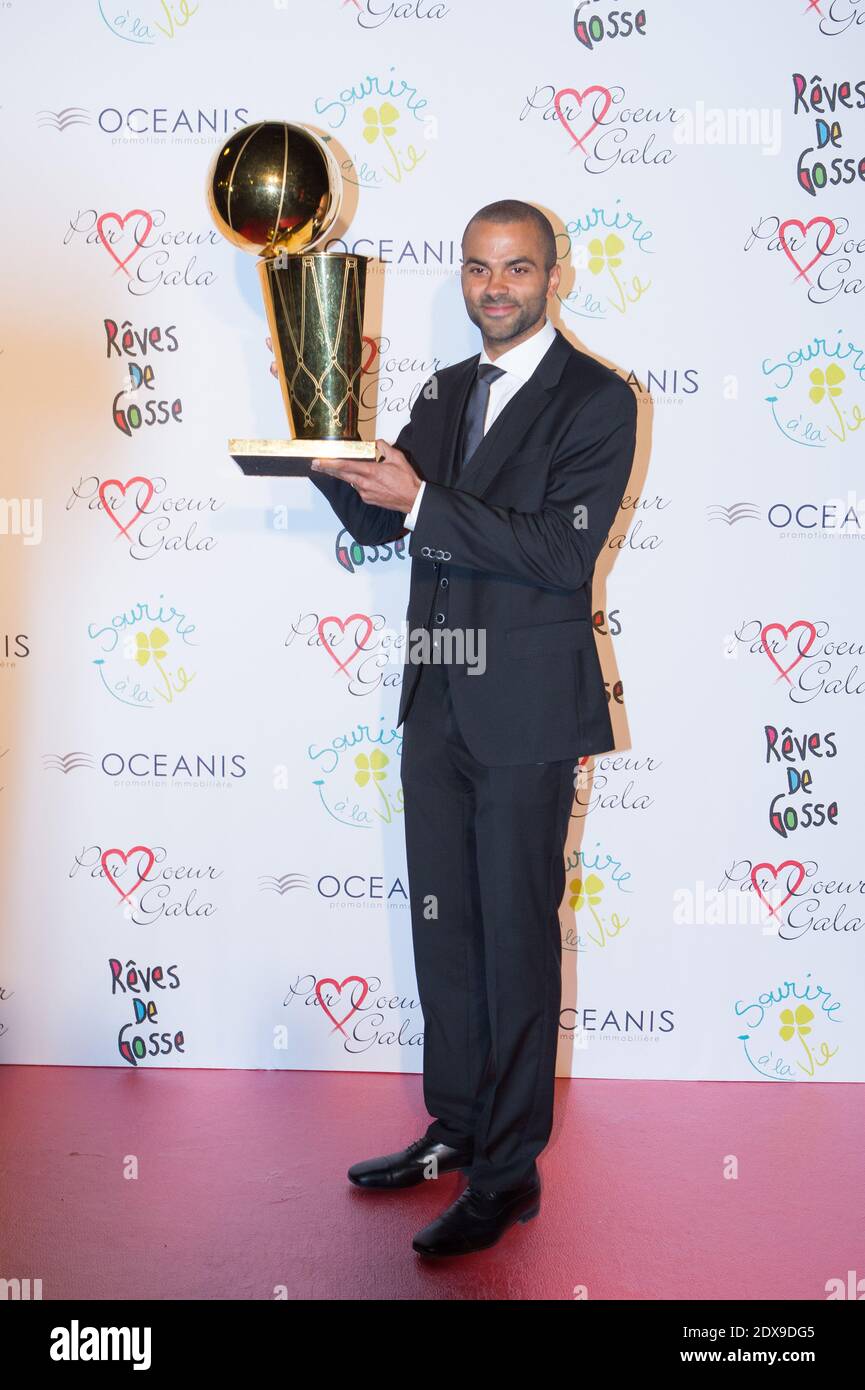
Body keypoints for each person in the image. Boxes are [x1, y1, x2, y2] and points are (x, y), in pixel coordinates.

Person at [306, 199, 637, 1257]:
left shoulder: (599, 398)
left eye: (517, 268)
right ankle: (452, 1129)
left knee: (513, 943)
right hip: (438, 698)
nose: (494, 286)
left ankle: (506, 1176)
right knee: (444, 936)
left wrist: (421, 499)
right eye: (478, 267)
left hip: (528, 712)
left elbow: (559, 551)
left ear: (554, 276)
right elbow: (383, 514)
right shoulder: (445, 389)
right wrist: (326, 456)